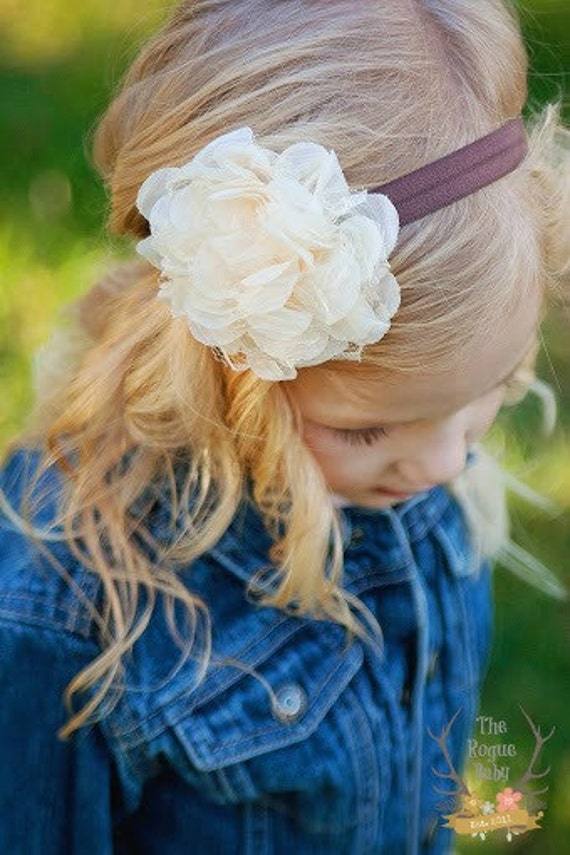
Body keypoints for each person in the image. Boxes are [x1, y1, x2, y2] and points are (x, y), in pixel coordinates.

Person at [0, 1, 568, 852]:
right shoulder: (74, 606)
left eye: (490, 391)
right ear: (225, 362)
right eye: (368, 432)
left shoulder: (405, 482)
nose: (449, 463)